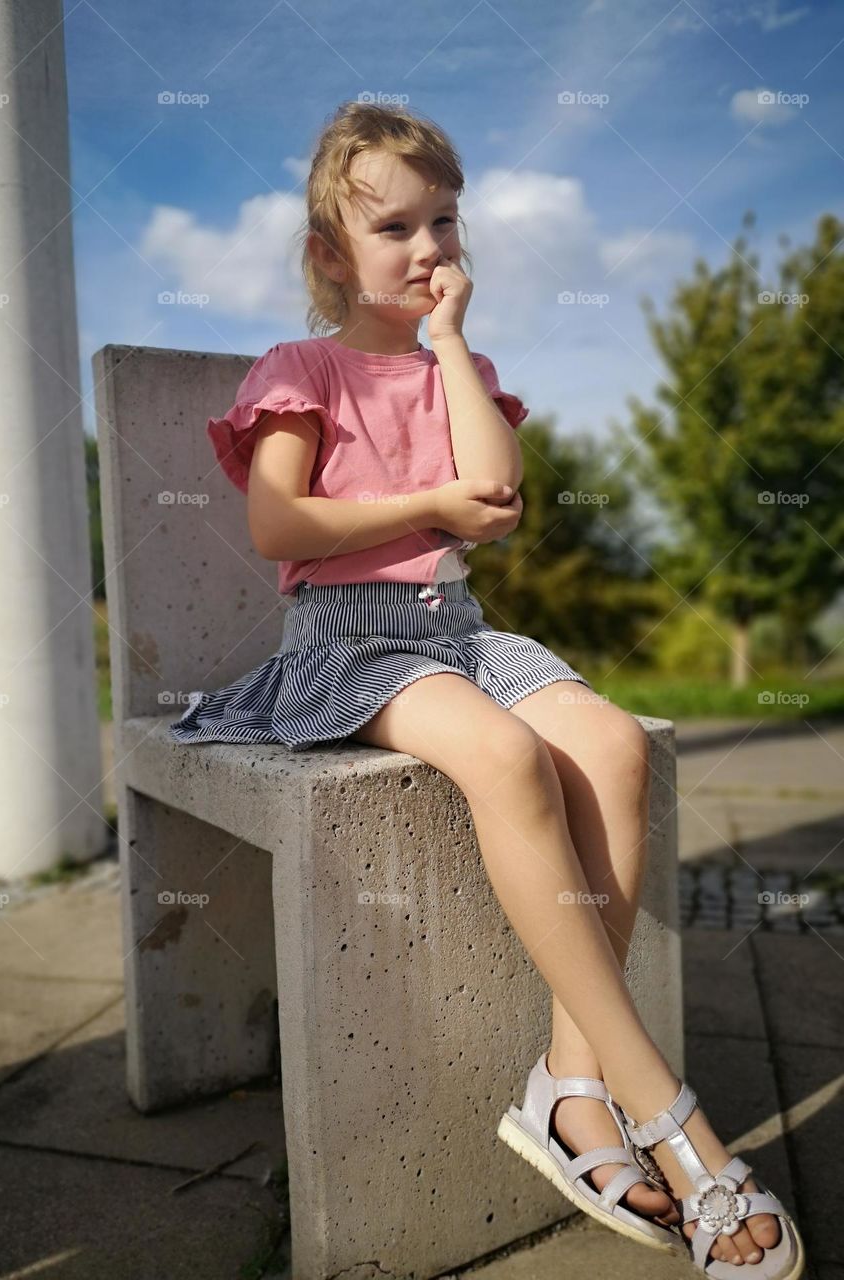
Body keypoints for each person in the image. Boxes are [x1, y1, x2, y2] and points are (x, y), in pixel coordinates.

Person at [169, 100, 803, 1278]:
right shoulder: (300, 367)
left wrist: (453, 348)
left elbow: (498, 496)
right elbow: (277, 522)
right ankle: (662, 1108)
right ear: (329, 255)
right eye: (395, 226)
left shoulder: (460, 364)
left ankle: (569, 1085)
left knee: (608, 743)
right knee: (508, 760)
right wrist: (420, 509)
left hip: (460, 630)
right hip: (348, 644)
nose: (428, 250)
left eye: (445, 222)